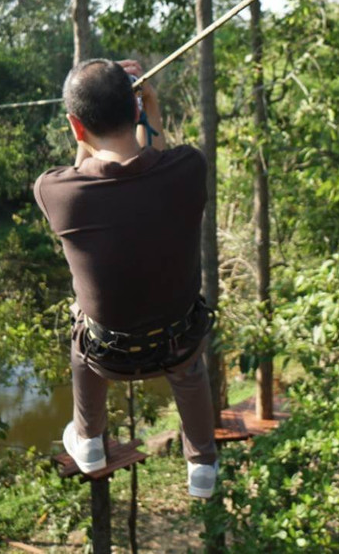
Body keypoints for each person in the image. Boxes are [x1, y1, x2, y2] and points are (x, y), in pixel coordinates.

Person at [33, 58, 219, 499]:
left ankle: (90, 439)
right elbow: (157, 160)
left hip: (108, 353)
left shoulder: (55, 192)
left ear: (76, 128)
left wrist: (96, 128)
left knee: (81, 327)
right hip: (178, 340)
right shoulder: (190, 168)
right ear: (136, 110)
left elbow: (83, 169)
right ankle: (203, 464)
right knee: (190, 366)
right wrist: (146, 115)